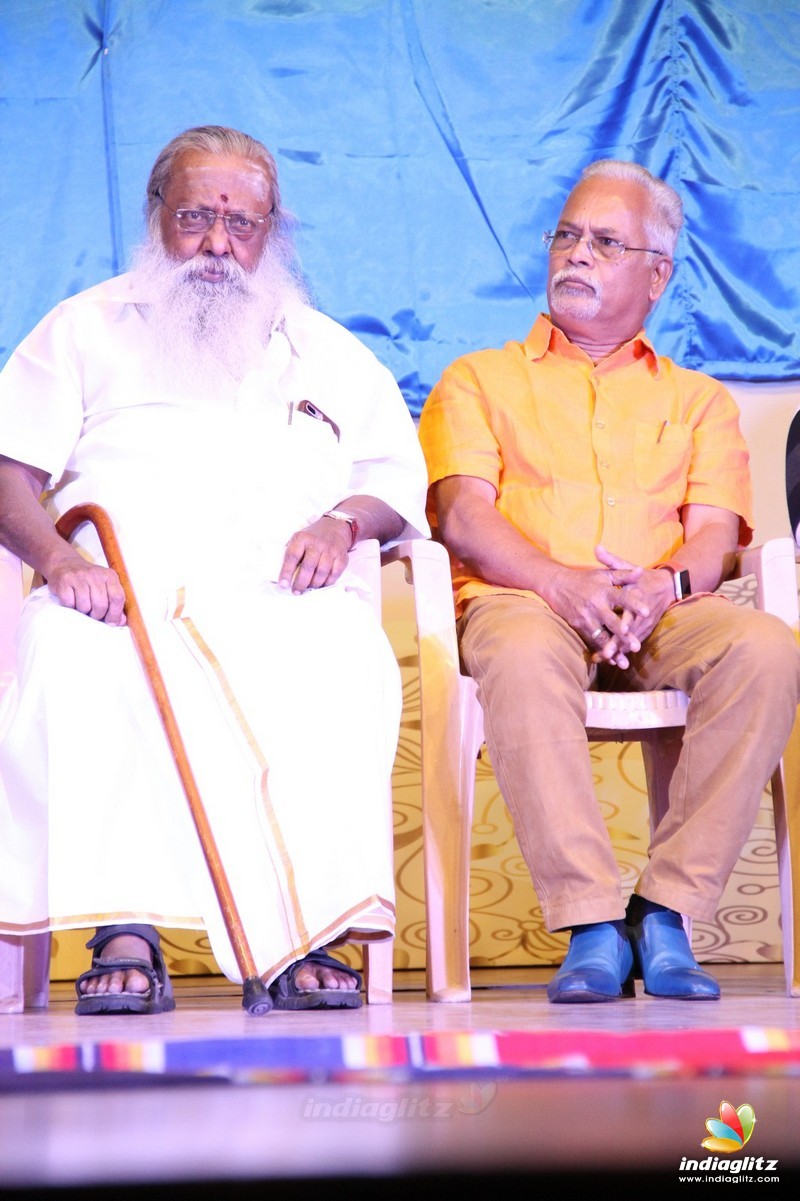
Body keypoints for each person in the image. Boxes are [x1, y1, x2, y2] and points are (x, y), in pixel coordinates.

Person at [0, 125, 429, 1014]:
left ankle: (306, 931)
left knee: (346, 659)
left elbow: (393, 478)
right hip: (116, 595)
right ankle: (122, 928)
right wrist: (54, 560)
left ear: (274, 231)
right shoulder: (84, 328)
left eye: (241, 223)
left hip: (282, 597)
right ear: (157, 215)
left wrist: (343, 522)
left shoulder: (325, 349)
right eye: (194, 216)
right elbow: (10, 471)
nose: (216, 244)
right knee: (72, 657)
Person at [418, 159, 800, 1003]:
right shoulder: (479, 379)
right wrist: (563, 584)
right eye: (567, 235)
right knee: (516, 647)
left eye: (604, 241)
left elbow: (712, 533)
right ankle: (593, 921)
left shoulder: (699, 400)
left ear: (656, 274)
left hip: (660, 613)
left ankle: (663, 910)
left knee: (769, 646)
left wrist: (664, 585)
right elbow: (464, 519)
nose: (576, 255)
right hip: (527, 603)